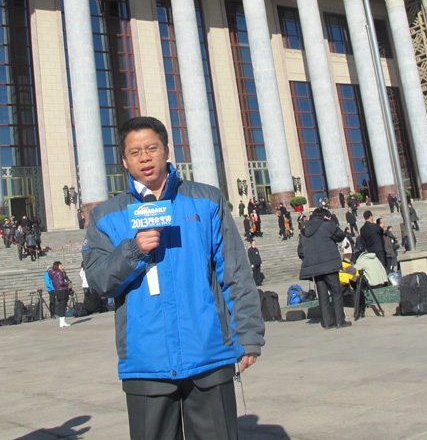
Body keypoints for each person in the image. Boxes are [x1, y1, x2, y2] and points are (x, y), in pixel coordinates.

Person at [83, 116, 264, 440]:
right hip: (146, 361)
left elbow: (235, 272)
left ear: (167, 151)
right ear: (124, 161)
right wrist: (134, 250)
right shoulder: (106, 216)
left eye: (152, 148)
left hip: (208, 354)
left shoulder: (206, 200)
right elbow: (98, 281)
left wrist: (247, 334)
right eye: (135, 151)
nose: (145, 157)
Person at [298, 206, 351, 330]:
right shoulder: (327, 225)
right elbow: (341, 235)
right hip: (329, 264)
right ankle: (340, 320)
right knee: (336, 292)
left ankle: (327, 322)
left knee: (322, 294)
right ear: (324, 215)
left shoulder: (305, 230)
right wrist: (330, 221)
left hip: (315, 268)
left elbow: (300, 252)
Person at [49, 261, 71, 328]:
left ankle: (62, 321)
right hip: (62, 290)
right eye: (60, 265)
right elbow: (61, 282)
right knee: (63, 305)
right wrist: (67, 283)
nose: (61, 266)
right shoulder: (59, 273)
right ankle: (62, 321)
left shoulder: (54, 273)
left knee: (61, 305)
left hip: (57, 290)